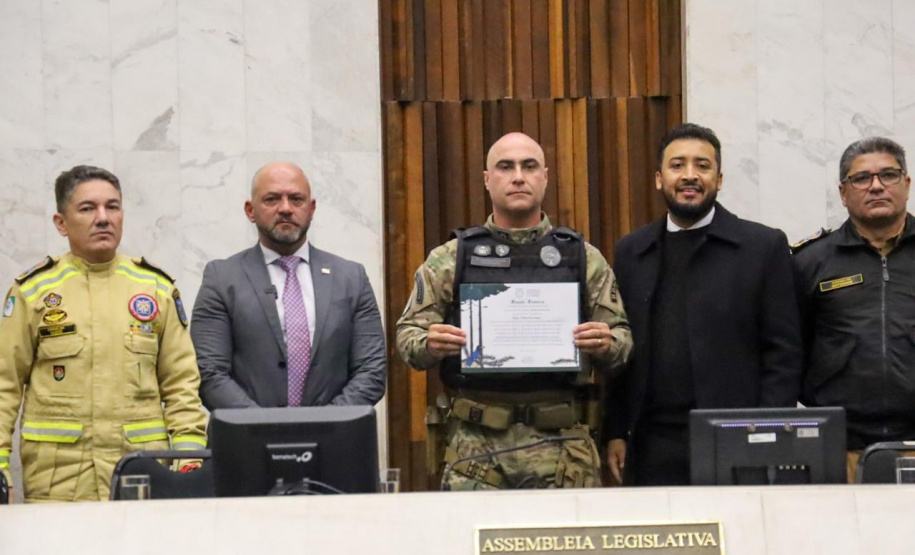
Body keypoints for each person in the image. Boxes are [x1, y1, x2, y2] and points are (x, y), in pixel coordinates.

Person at [396, 132, 632, 490]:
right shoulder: (450, 257)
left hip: (564, 452)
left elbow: (624, 345)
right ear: (487, 180)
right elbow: (407, 338)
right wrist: (430, 342)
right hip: (476, 452)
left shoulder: (583, 258)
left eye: (529, 166)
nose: (518, 176)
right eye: (505, 167)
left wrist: (605, 343)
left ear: (545, 177)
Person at [607, 123, 803, 486]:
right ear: (658, 178)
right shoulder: (631, 251)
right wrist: (615, 430)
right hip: (651, 443)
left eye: (702, 165)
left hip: (737, 440)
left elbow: (784, 354)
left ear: (720, 178)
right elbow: (622, 348)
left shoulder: (763, 247)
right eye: (677, 165)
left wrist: (766, 432)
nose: (690, 176)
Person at [0, 165, 208, 503]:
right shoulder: (33, 292)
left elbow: (182, 386)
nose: (103, 218)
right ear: (61, 223)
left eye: (112, 207)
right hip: (59, 483)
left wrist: (189, 463)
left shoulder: (155, 288)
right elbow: (4, 386)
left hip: (141, 476)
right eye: (88, 208)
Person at [191, 162, 386, 409]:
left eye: (296, 199)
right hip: (246, 440)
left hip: (333, 440)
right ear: (250, 211)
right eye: (272, 199)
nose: (285, 209)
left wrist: (323, 426)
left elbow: (371, 371)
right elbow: (209, 373)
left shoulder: (351, 278)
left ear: (312, 208)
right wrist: (268, 429)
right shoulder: (221, 278)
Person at [793, 137, 915, 482]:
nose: (876, 186)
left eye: (888, 175)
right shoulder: (810, 262)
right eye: (861, 179)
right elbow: (789, 351)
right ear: (844, 193)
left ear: (906, 184)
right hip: (841, 447)